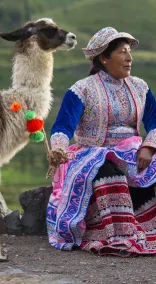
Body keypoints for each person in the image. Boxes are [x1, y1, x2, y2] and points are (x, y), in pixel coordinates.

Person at [47, 27, 156, 257]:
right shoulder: (81, 90)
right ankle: (118, 234)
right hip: (92, 154)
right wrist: (58, 148)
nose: (129, 58)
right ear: (104, 58)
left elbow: (154, 122)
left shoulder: (139, 87)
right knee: (109, 172)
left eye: (129, 52)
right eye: (122, 52)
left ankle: (147, 225)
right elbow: (63, 126)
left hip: (132, 152)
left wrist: (149, 146)